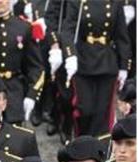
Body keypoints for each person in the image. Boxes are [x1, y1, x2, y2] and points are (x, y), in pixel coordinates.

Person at [55, 0, 132, 136]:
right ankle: (82, 141)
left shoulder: (115, 3)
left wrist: (124, 65)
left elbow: (122, 35)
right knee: (85, 109)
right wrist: (70, 54)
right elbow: (67, 30)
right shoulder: (77, 2)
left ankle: (99, 149)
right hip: (83, 59)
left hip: (107, 61)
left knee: (102, 112)